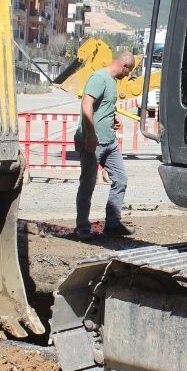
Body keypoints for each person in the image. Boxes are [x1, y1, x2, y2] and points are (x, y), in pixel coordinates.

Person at [74, 52, 136, 239]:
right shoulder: (99, 78)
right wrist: (91, 134)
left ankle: (113, 224)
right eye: (129, 71)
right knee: (88, 184)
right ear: (124, 66)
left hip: (109, 141)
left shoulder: (111, 81)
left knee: (121, 179)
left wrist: (112, 117)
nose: (128, 75)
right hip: (93, 142)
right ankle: (82, 227)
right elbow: (86, 104)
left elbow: (103, 106)